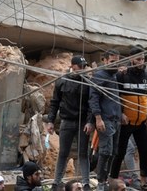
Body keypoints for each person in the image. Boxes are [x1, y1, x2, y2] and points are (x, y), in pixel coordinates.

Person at [109, 46, 147, 189]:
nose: (141, 62)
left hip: (141, 122)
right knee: (120, 151)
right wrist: (120, 113)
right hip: (126, 121)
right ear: (131, 59)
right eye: (138, 59)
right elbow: (115, 97)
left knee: (144, 150)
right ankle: (113, 179)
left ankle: (144, 181)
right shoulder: (122, 75)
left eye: (143, 59)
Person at [47, 55, 93, 191]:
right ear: (73, 67)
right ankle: (56, 182)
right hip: (66, 121)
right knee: (63, 153)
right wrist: (50, 121)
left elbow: (92, 105)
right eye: (81, 67)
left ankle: (86, 184)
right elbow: (54, 103)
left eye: (85, 67)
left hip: (82, 122)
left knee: (83, 154)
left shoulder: (89, 83)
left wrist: (90, 122)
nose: (84, 69)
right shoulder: (62, 81)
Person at [89, 50, 121, 191]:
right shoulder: (99, 75)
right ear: (105, 60)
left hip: (116, 119)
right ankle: (101, 182)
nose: (115, 64)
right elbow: (94, 98)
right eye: (112, 62)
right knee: (105, 151)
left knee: (113, 152)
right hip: (105, 119)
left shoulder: (114, 76)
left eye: (117, 61)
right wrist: (98, 118)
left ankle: (104, 179)